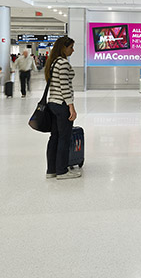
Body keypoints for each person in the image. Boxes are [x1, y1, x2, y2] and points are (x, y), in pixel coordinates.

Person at [44, 36, 80, 180]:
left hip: (52, 103)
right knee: (64, 138)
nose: (73, 50)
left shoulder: (53, 63)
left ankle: (51, 170)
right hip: (62, 105)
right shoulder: (63, 63)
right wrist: (71, 107)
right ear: (63, 48)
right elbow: (65, 87)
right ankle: (62, 170)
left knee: (54, 137)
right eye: (71, 47)